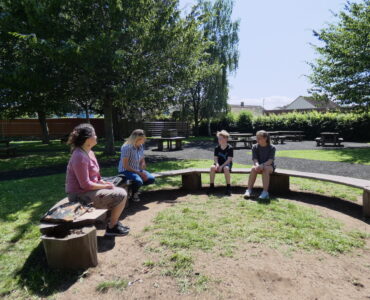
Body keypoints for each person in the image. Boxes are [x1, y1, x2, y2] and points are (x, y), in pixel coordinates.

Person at [66, 123, 129, 236]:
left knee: (118, 187)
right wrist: (105, 186)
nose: (96, 136)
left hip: (87, 190)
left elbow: (95, 175)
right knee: (121, 194)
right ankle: (112, 227)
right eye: (94, 134)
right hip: (79, 195)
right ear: (87, 139)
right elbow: (85, 185)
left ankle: (112, 222)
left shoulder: (89, 152)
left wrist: (102, 181)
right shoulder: (79, 156)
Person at [118, 129, 155, 202]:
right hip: (125, 170)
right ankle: (134, 193)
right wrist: (139, 173)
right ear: (137, 139)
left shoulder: (140, 146)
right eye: (143, 139)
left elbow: (142, 159)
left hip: (137, 170)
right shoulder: (126, 148)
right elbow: (126, 166)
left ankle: (133, 189)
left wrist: (142, 168)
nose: (144, 140)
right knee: (138, 181)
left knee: (151, 179)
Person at [244, 130, 276, 200]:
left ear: (265, 138)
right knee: (253, 168)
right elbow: (255, 159)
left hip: (269, 166)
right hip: (259, 166)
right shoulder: (254, 147)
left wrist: (262, 165)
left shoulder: (272, 147)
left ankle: (265, 192)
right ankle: (249, 190)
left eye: (259, 138)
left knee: (265, 169)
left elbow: (270, 161)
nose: (257, 139)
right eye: (257, 138)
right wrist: (257, 165)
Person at [207, 130, 233, 196]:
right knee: (212, 167)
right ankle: (212, 186)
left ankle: (228, 187)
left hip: (227, 163)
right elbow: (215, 158)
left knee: (226, 168)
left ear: (226, 139)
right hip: (219, 163)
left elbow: (229, 159)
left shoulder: (230, 148)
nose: (219, 140)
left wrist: (222, 166)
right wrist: (217, 164)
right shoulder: (217, 148)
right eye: (218, 138)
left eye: (220, 138)